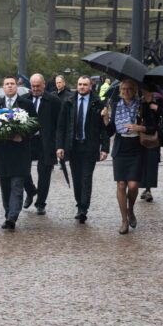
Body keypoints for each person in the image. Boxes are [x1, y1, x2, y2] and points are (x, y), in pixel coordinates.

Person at [103, 79, 156, 234]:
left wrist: (140, 127)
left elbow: (153, 127)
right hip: (121, 148)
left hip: (136, 148)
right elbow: (111, 131)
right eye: (123, 89)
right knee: (121, 184)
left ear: (134, 91)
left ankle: (130, 209)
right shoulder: (115, 105)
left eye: (129, 89)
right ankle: (124, 220)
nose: (125, 91)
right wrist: (105, 120)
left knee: (133, 185)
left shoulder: (142, 106)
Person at [56, 75, 109, 223]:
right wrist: (59, 146)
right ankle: (79, 203)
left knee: (86, 178)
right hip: (73, 146)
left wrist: (104, 148)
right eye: (79, 84)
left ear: (90, 86)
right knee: (77, 178)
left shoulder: (97, 103)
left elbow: (103, 128)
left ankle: (83, 208)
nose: (82, 87)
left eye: (85, 85)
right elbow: (61, 126)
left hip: (89, 146)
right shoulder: (68, 101)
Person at [0, 76, 37, 230]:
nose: (9, 86)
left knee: (17, 184)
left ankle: (12, 218)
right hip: (2, 152)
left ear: (16, 86)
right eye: (7, 84)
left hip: (21, 151)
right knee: (5, 186)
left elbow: (35, 124)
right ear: (3, 87)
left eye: (12, 84)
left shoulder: (26, 104)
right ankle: (8, 212)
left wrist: (22, 135)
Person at [21, 73, 61, 215]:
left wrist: (58, 144)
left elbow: (59, 124)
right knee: (22, 169)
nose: (36, 88)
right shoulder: (24, 100)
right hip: (28, 141)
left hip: (46, 142)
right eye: (33, 86)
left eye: (38, 86)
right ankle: (31, 191)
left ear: (44, 84)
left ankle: (41, 203)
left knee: (44, 174)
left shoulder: (54, 101)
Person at [139, 84, 163, 203]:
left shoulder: (158, 101)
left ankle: (148, 190)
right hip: (141, 136)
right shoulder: (139, 102)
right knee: (142, 161)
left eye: (146, 90)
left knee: (152, 162)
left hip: (154, 137)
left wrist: (157, 109)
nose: (144, 92)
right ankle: (144, 187)